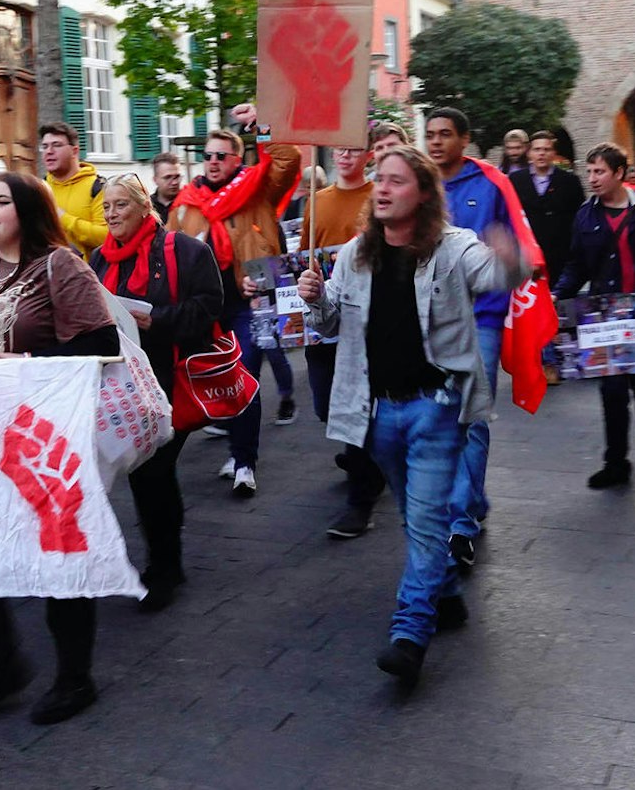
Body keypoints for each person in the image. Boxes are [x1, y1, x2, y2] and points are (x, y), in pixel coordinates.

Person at [298, 145, 528, 686]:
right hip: (377, 413)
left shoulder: (453, 247)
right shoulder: (353, 254)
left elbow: (495, 274)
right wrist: (314, 299)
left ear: (423, 194)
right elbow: (330, 325)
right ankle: (446, 592)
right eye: (380, 180)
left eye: (397, 181)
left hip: (437, 409)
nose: (381, 188)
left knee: (425, 524)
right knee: (414, 515)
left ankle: (409, 635)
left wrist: (511, 259)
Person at [0, 171, 121, 726]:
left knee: (54, 550)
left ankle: (74, 676)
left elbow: (103, 343)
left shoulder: (59, 266)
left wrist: (31, 365)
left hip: (39, 436)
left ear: (29, 211)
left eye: (0, 202)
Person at [87, 173, 224, 610]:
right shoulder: (98, 260)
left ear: (144, 207)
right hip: (123, 384)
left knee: (153, 471)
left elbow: (208, 306)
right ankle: (167, 559)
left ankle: (163, 566)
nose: (111, 214)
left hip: (170, 377)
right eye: (106, 207)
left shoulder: (186, 251)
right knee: (149, 474)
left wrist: (156, 320)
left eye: (120, 205)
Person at [168, 106, 301, 498]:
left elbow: (287, 159)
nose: (211, 162)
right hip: (205, 313)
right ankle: (230, 449)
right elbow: (172, 255)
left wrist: (263, 123)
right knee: (211, 382)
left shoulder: (258, 188)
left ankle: (245, 462)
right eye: (206, 155)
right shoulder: (187, 204)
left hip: (250, 305)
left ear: (237, 159)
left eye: (220, 156)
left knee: (244, 378)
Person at [422, 107, 524, 569]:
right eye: (430, 135)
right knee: (439, 419)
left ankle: (460, 524)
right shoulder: (418, 184)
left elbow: (515, 246)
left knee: (472, 417)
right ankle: (473, 497)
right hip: (428, 320)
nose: (436, 142)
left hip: (480, 317)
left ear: (464, 140)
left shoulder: (491, 185)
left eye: (445, 134)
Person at [553, 143, 635, 489]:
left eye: (600, 172)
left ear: (619, 174)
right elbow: (577, 263)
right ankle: (616, 462)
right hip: (605, 317)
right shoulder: (585, 215)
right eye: (589, 171)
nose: (592, 178)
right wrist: (560, 292)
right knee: (611, 390)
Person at [307, 131, 379, 540]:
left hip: (364, 328)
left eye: (354, 148)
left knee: (360, 410)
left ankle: (361, 494)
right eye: (340, 147)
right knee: (325, 406)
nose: (346, 155)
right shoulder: (318, 202)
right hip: (328, 315)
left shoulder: (377, 195)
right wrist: (310, 294)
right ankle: (365, 464)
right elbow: (299, 262)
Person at [510, 130, 585, 285]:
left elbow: (580, 218)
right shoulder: (515, 181)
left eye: (546, 149)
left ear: (554, 153)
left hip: (560, 257)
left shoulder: (569, 182)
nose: (541, 154)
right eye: (537, 149)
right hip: (526, 258)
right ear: (529, 153)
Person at [40, 122, 107, 256]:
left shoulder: (97, 187)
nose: (49, 151)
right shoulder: (40, 187)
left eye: (57, 145)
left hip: (87, 273)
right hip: (44, 272)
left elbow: (105, 237)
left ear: (74, 151)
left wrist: (63, 218)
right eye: (44, 146)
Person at [148, 152, 183, 224]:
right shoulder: (147, 208)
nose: (174, 182)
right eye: (168, 177)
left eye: (177, 177)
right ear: (155, 180)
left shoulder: (189, 205)